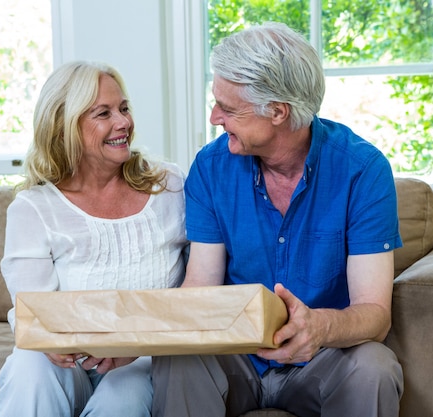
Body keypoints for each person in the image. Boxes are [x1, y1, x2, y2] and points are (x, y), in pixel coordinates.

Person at [152, 22, 404, 417]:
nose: (215, 117)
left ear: (277, 112)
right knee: (178, 356)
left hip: (321, 361)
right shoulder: (211, 167)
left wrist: (318, 328)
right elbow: (199, 288)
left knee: (374, 366)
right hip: (235, 358)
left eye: (229, 108)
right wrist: (134, 339)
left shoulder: (362, 170)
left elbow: (375, 314)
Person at [0, 61, 187, 417]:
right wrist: (48, 341)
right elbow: (32, 312)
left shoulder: (170, 186)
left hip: (146, 358)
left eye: (124, 108)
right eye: (104, 113)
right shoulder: (34, 209)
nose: (123, 123)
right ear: (65, 126)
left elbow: (203, 286)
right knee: (30, 366)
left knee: (122, 395)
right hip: (74, 362)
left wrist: (136, 343)